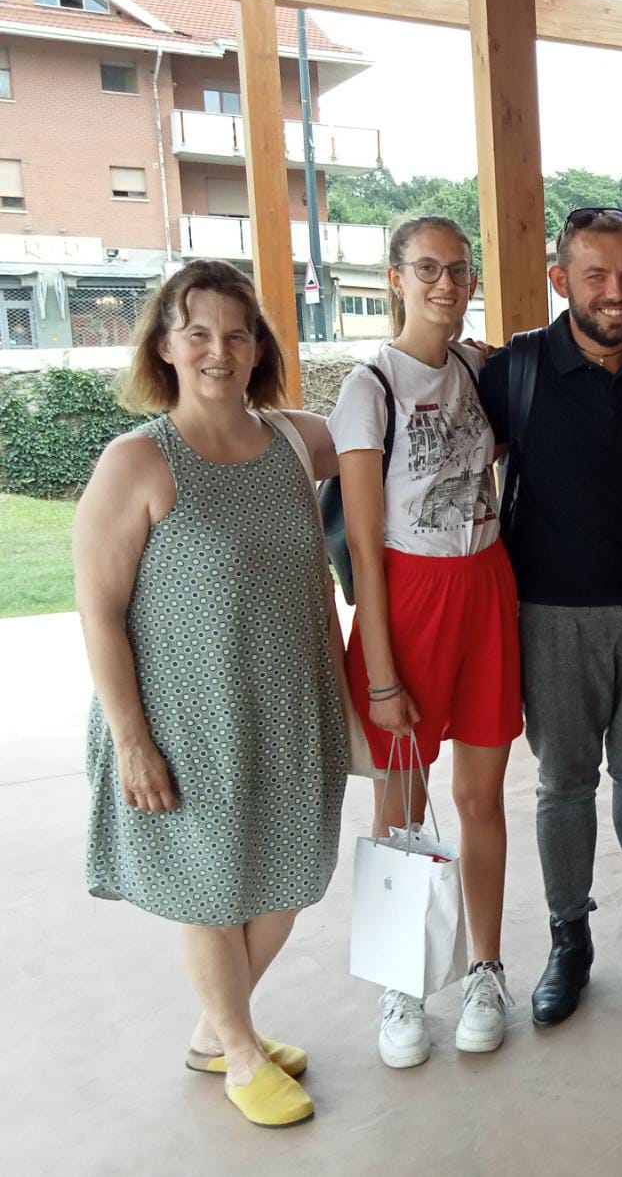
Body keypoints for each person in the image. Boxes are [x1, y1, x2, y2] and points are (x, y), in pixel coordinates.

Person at [76, 260, 347, 1128]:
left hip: (288, 709)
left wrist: (490, 369)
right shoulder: (136, 462)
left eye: (237, 333)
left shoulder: (294, 442)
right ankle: (236, 1052)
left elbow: (399, 428)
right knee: (212, 886)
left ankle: (212, 1028)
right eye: (197, 332)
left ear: (259, 346)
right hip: (185, 723)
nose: (218, 350)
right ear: (164, 346)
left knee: (288, 881)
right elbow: (99, 613)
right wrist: (130, 738)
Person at [477, 207, 622, 1025]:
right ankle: (569, 942)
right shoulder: (516, 372)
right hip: (549, 616)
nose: (615, 293)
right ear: (559, 278)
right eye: (596, 275)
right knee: (563, 782)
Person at [327, 215, 522, 1067]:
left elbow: (562, 352)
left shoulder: (481, 368)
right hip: (407, 601)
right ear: (395, 276)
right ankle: (400, 986)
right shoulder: (369, 386)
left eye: (459, 269)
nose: (447, 283)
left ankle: (486, 966)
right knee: (399, 807)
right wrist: (378, 675)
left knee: (481, 799)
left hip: (485, 589)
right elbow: (365, 546)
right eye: (428, 269)